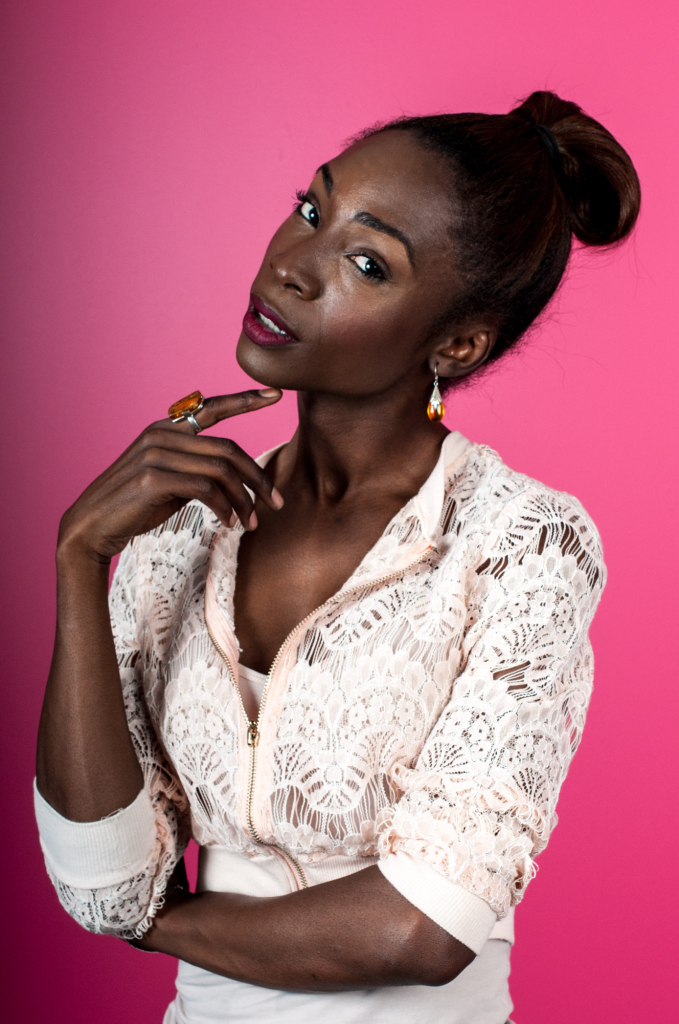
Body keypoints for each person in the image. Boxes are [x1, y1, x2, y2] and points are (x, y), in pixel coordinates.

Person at [34, 91, 640, 1024]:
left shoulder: (520, 544)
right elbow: (95, 872)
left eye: (366, 262)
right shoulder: (180, 525)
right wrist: (81, 559)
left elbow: (422, 933)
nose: (292, 265)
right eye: (311, 209)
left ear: (458, 342)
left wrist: (151, 926)